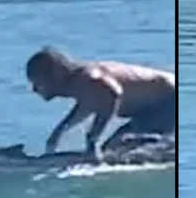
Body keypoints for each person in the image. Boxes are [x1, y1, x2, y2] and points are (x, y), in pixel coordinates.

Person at [25, 47, 175, 159]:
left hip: (170, 99)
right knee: (113, 149)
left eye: (37, 82)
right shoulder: (80, 84)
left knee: (120, 147)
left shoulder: (90, 78)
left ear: (56, 74)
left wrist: (92, 140)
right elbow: (87, 106)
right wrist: (57, 135)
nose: (35, 89)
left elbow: (112, 94)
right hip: (155, 109)